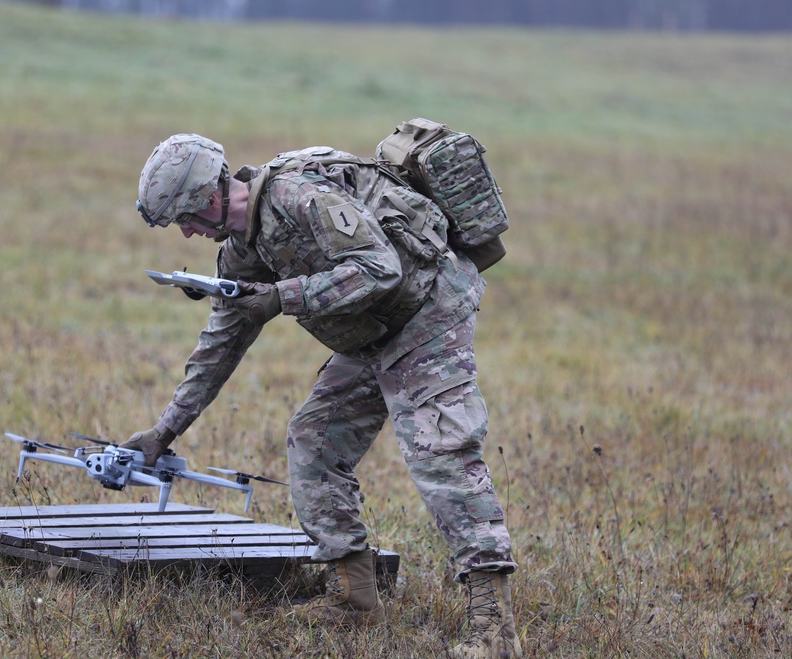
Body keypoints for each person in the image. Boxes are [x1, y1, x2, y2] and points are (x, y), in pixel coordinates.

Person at [122, 133, 522, 658]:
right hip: (367, 332)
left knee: (440, 451)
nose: (188, 233)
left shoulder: (297, 197)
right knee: (314, 440)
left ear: (211, 198)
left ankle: (494, 626)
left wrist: (285, 296)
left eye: (186, 218)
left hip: (427, 312)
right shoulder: (244, 249)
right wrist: (164, 430)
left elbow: (383, 268)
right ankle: (354, 596)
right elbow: (220, 345)